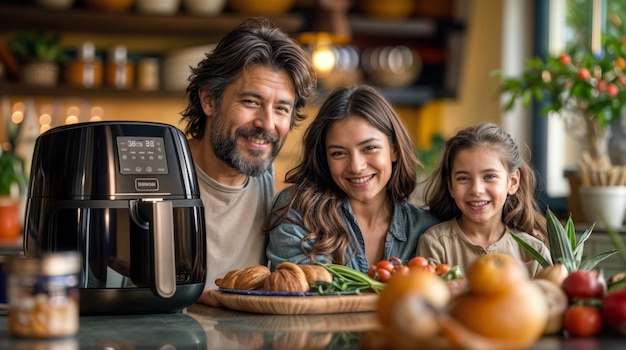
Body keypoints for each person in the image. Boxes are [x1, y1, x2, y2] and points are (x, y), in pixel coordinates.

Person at [180, 17, 316, 306]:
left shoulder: (269, 180)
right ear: (209, 101)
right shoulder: (160, 173)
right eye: (251, 102)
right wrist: (188, 298)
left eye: (281, 108)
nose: (267, 124)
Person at [263, 85, 440, 272]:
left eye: (369, 148)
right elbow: (304, 295)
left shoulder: (428, 230)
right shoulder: (297, 212)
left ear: (394, 149)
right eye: (339, 153)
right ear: (325, 158)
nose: (356, 166)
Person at [416, 122, 550, 277]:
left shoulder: (534, 251)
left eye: (489, 177)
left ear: (512, 182)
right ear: (450, 186)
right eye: (463, 178)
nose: (476, 190)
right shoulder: (436, 243)